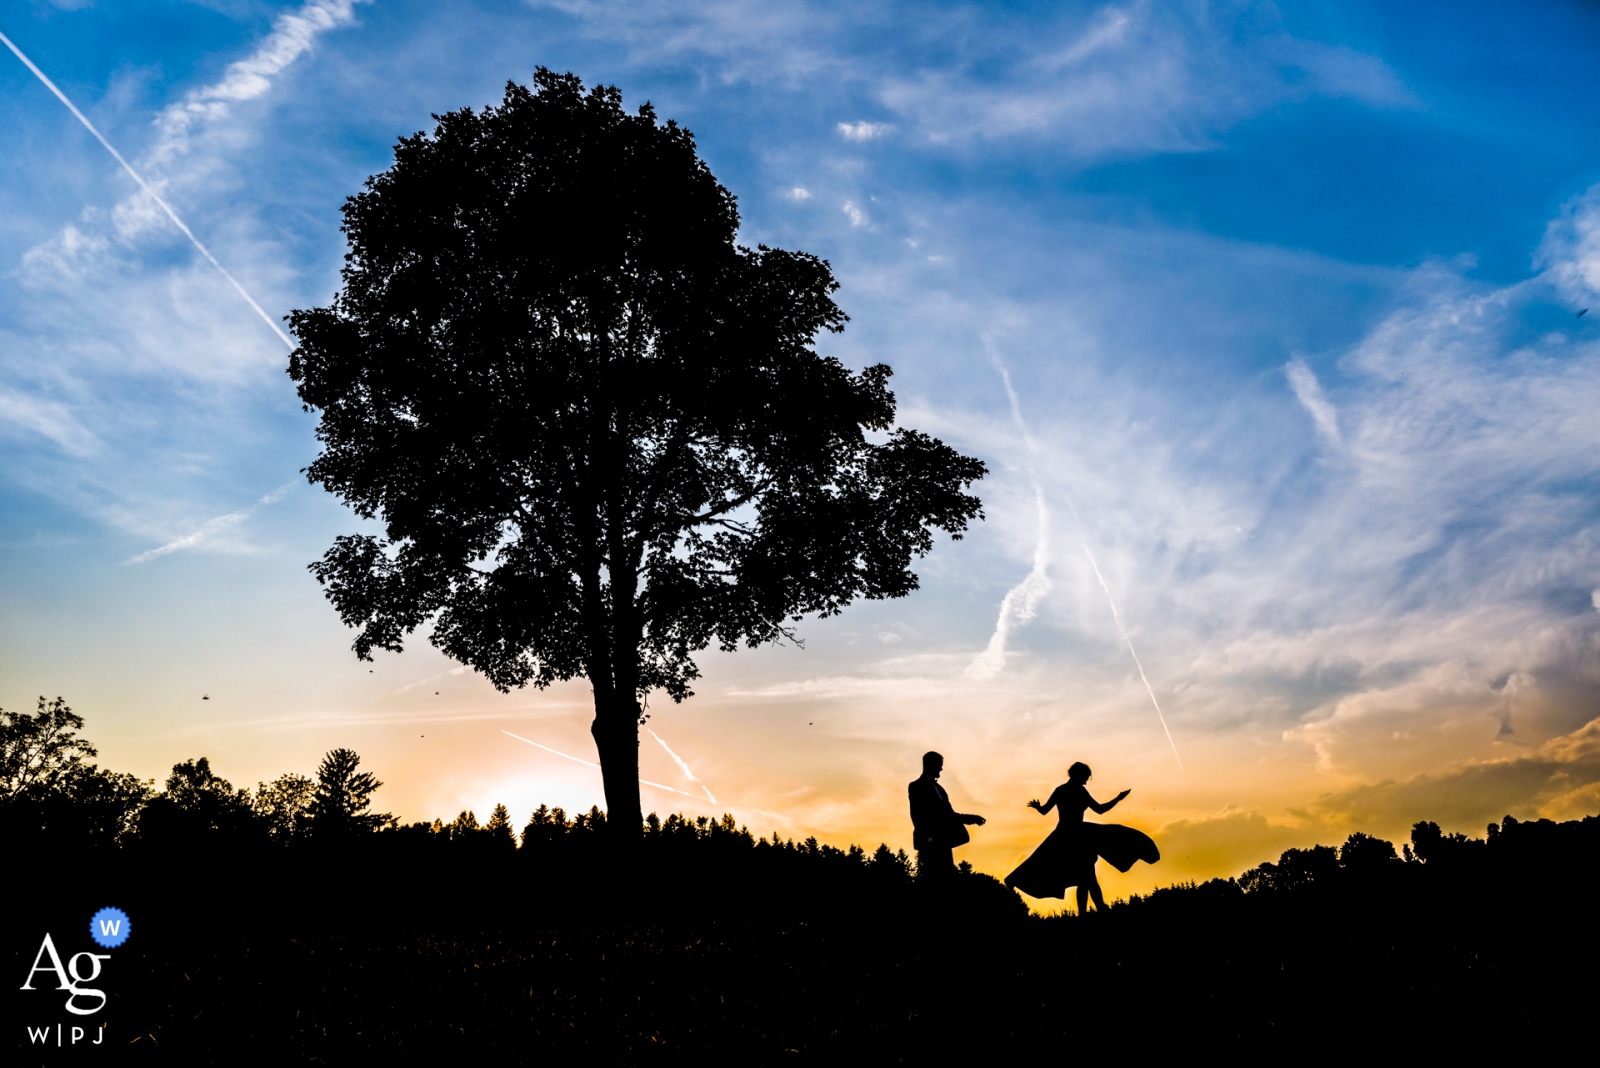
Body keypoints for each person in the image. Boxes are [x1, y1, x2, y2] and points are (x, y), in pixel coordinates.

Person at [1004, 761, 1159, 912]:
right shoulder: (1079, 791)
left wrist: (1038, 807)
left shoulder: (1060, 790)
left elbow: (1044, 811)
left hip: (1063, 835)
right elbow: (1100, 810)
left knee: (1081, 877)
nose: (1086, 781)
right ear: (1078, 774)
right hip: (1079, 837)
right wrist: (1118, 798)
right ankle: (1096, 912)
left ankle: (1089, 913)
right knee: (1087, 878)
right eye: (1086, 777)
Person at [908, 751, 986, 878]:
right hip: (929, 845)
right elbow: (916, 815)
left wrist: (971, 818)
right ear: (930, 765)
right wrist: (928, 838)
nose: (941, 768)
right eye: (939, 765)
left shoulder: (940, 789)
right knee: (932, 883)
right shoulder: (916, 786)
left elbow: (949, 815)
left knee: (948, 882)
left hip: (943, 843)